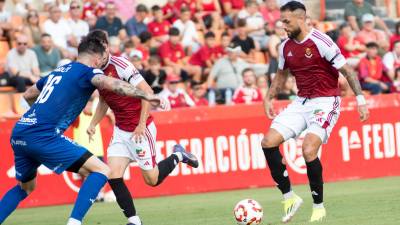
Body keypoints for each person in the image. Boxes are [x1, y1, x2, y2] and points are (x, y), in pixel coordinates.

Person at [0, 33, 164, 225]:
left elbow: (29, 94)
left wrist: (35, 117)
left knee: (25, 188)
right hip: (43, 135)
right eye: (102, 58)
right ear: (96, 57)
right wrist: (145, 95)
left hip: (20, 131)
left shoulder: (59, 71)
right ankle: (74, 222)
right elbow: (112, 84)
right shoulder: (89, 72)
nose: (102, 63)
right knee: (102, 170)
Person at [261, 2, 369, 223]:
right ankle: (289, 198)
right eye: (282, 21)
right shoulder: (285, 47)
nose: (283, 25)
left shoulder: (322, 42)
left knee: (308, 149)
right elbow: (281, 76)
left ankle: (318, 206)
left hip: (326, 102)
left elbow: (347, 71)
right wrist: (269, 96)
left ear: (301, 19)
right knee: (268, 142)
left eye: (287, 21)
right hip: (301, 102)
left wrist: (360, 100)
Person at [85, 30, 198, 225]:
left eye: (98, 51)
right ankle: (134, 220)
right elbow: (104, 99)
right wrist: (93, 123)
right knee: (113, 174)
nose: (95, 57)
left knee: (152, 180)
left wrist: (141, 124)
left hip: (140, 129)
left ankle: (178, 155)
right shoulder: (95, 70)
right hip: (120, 131)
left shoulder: (122, 65)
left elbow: (147, 92)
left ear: (106, 48)